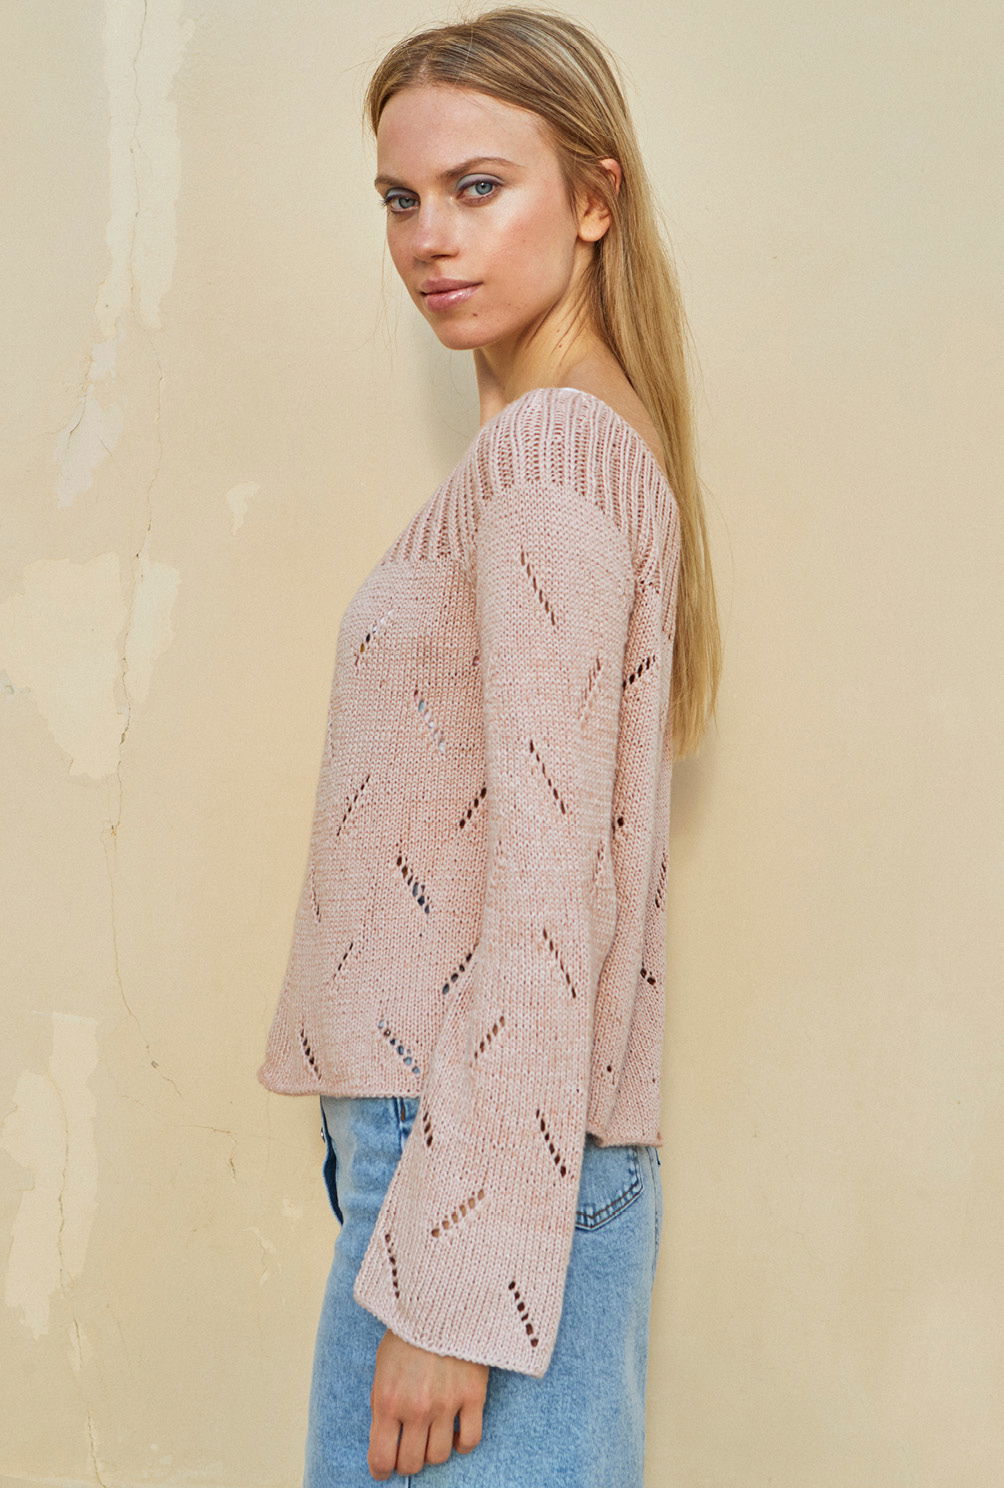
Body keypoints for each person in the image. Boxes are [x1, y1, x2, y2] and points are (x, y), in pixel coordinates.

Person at [256, 7, 721, 1483]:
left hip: (468, 1170)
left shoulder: (552, 453)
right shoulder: (585, 443)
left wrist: (456, 1281)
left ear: (594, 199)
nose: (430, 240)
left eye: (478, 187)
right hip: (497, 1152)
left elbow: (543, 893)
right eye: (401, 198)